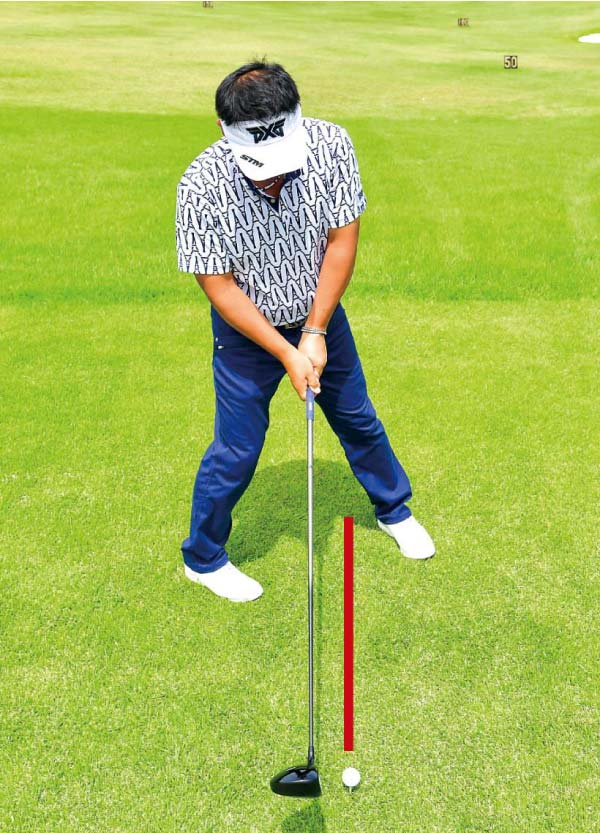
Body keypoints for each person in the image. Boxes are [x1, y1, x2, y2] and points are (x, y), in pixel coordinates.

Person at [175, 61, 435, 602]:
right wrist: (285, 351)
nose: (271, 176)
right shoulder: (199, 185)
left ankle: (393, 509)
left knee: (356, 416)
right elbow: (218, 285)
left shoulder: (332, 145)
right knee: (237, 447)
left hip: (319, 313)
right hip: (247, 331)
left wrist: (314, 331)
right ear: (223, 129)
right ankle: (203, 558)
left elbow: (342, 240)